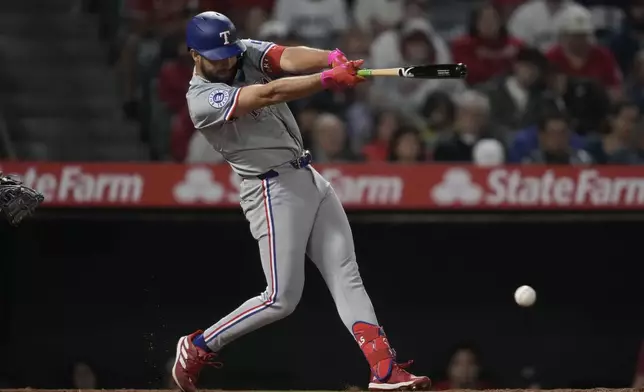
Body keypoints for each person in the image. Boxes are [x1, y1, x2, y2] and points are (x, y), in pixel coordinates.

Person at [171, 11, 430, 392]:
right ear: (195, 55)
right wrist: (328, 80)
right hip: (271, 190)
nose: (226, 61)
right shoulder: (201, 99)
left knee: (347, 274)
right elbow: (270, 92)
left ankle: (384, 369)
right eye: (215, 56)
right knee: (281, 299)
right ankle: (196, 347)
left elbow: (284, 57)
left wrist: (332, 57)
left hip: (307, 176)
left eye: (228, 52)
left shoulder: (240, 51)